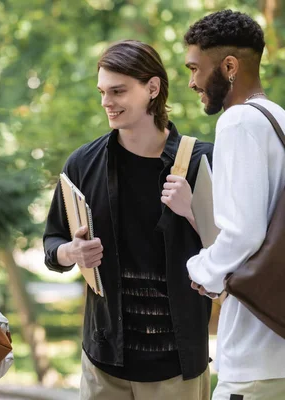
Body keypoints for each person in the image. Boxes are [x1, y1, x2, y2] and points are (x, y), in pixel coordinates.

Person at [43, 40, 213, 399]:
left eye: (118, 91)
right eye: (103, 91)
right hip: (104, 363)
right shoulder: (82, 164)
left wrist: (192, 212)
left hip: (177, 367)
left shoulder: (202, 163)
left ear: (152, 88)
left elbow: (234, 249)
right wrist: (71, 253)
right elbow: (52, 243)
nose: (107, 102)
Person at [185, 10, 285, 399]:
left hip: (254, 352)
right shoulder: (278, 118)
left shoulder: (238, 122)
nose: (192, 82)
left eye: (195, 68)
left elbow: (243, 231)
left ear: (229, 66)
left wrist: (201, 270)